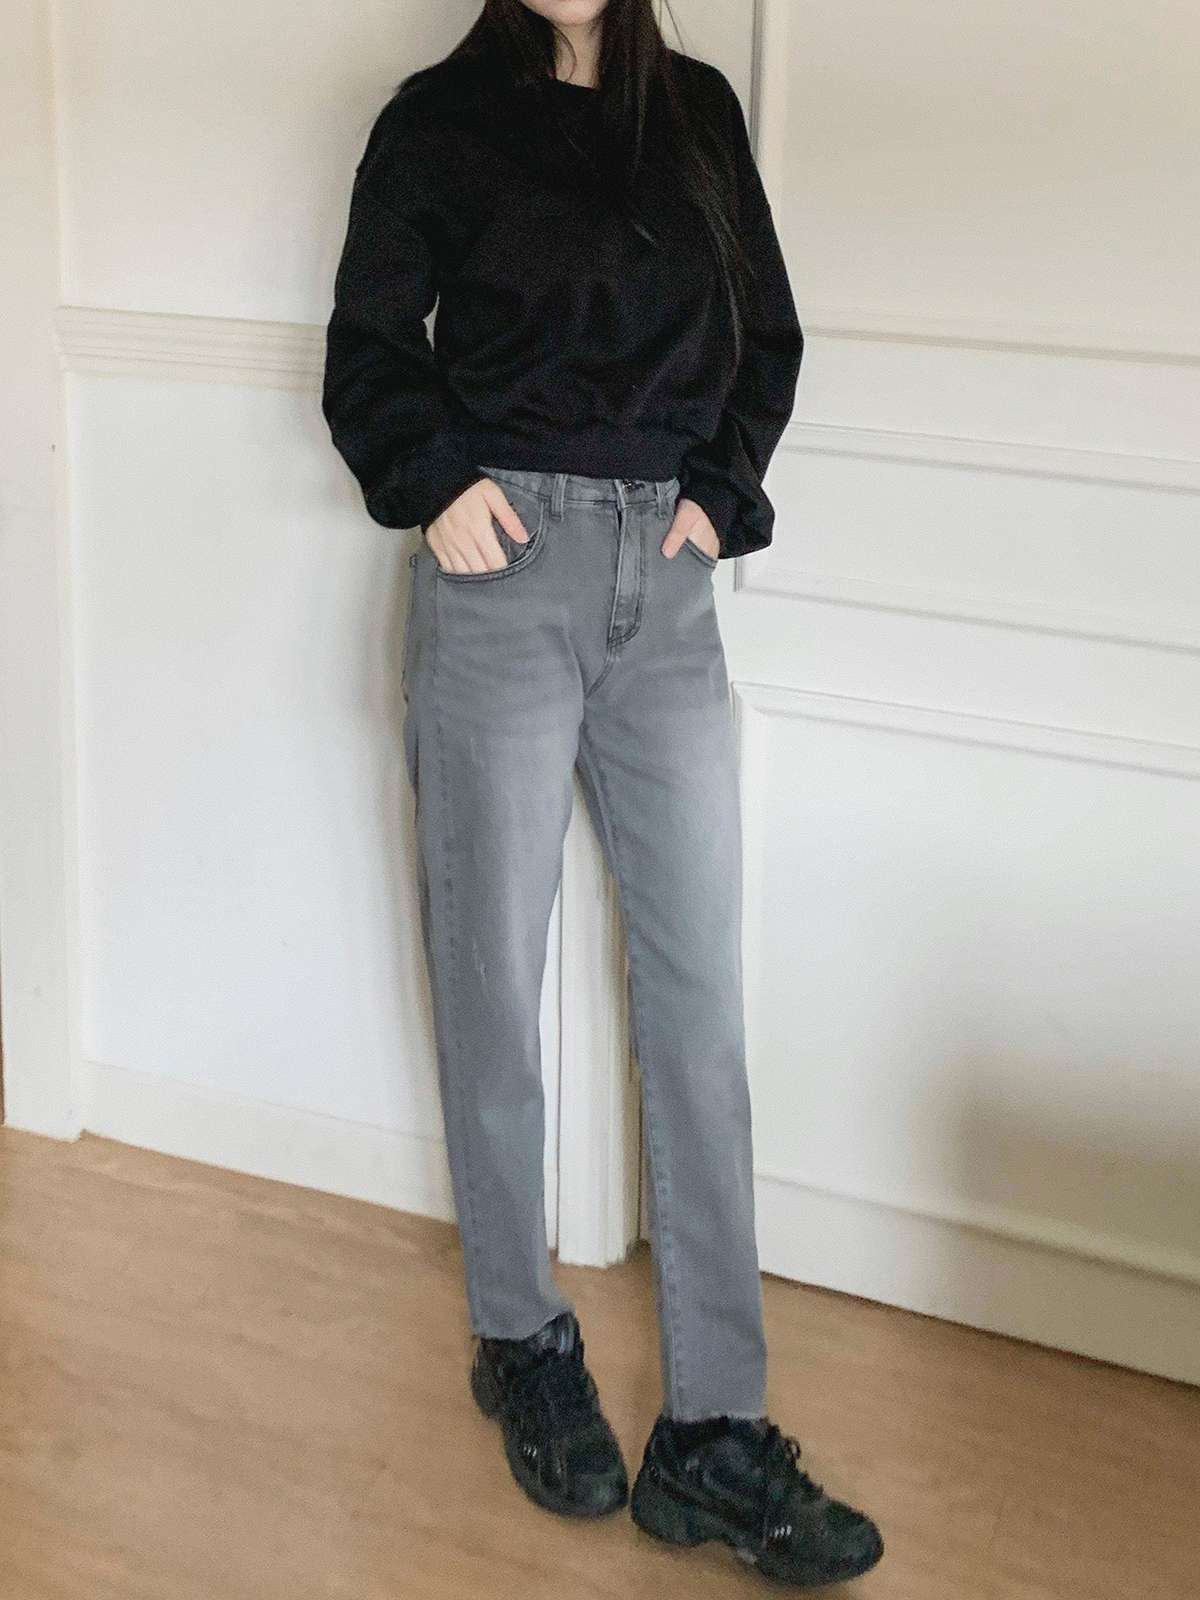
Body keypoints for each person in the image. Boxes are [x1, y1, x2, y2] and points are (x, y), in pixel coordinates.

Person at [322, 0, 883, 1585]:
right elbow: (368, 353)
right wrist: (434, 483)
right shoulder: (436, 119)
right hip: (500, 580)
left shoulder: (695, 112)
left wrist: (718, 494)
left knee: (699, 1006)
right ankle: (521, 1335)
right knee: (492, 977)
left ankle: (714, 1432)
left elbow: (767, 335)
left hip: (669, 589)